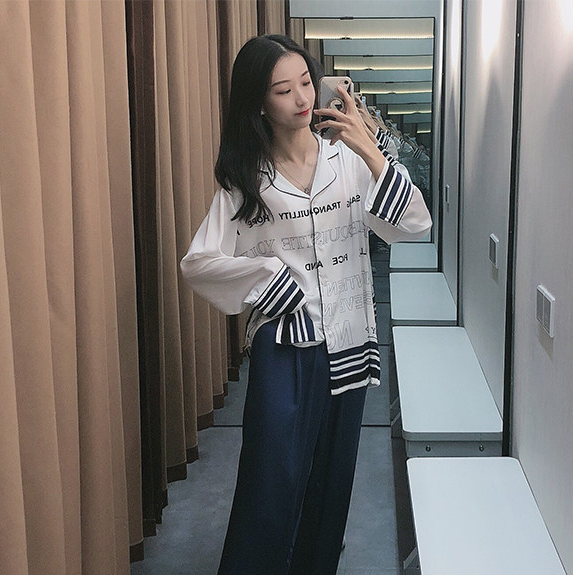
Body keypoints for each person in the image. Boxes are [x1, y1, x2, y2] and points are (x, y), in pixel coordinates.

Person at [180, 34, 431, 574]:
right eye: (282, 90)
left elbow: (414, 223)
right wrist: (267, 278)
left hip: (349, 339)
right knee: (271, 479)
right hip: (285, 345)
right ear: (258, 102)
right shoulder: (247, 180)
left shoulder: (350, 162)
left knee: (331, 481)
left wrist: (369, 146)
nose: (300, 98)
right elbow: (198, 263)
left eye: (305, 83)